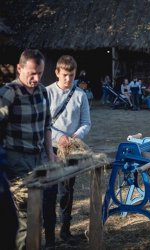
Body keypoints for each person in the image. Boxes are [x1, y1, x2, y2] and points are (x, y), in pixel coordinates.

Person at [0, 49, 55, 250]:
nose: (35, 78)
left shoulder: (43, 91)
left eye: (39, 73)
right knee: (25, 212)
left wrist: (50, 153)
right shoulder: (8, 93)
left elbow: (47, 125)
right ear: (19, 68)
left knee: (37, 210)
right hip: (16, 159)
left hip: (38, 158)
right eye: (31, 73)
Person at [43, 55, 91, 249]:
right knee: (50, 192)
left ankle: (65, 231)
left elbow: (86, 122)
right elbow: (43, 122)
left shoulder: (80, 95)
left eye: (71, 75)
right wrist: (57, 138)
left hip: (70, 149)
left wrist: (75, 138)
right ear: (57, 72)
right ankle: (49, 237)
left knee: (67, 192)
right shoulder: (46, 93)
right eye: (64, 75)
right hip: (50, 148)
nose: (68, 79)